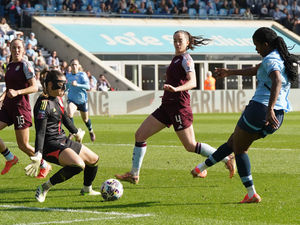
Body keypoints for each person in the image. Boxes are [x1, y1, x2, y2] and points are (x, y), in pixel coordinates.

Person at [190, 27, 299, 203]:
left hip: (260, 110)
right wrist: (230, 72)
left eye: (257, 45)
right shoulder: (279, 58)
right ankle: (200, 168)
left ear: (265, 44)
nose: (256, 49)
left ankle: (251, 193)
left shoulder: (271, 59)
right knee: (234, 142)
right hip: (278, 117)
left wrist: (269, 108)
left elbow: (277, 80)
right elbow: (256, 69)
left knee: (240, 149)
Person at [115, 30, 235, 184]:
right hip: (167, 106)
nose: (177, 43)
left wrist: (176, 90)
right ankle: (134, 174)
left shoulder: (186, 59)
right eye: (175, 40)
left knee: (190, 145)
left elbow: (193, 82)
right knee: (140, 135)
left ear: (187, 43)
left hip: (179, 107)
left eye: (180, 40)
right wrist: (168, 94)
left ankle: (226, 158)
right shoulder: (176, 58)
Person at [24, 70, 100, 203]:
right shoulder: (43, 104)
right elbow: (40, 132)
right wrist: (38, 154)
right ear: (49, 85)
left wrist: (76, 132)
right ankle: (45, 187)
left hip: (62, 140)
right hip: (50, 145)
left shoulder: (58, 99)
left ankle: (87, 188)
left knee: (94, 160)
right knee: (78, 165)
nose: (64, 88)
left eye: (64, 85)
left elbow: (65, 117)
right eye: (60, 85)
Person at [0, 38, 51, 178]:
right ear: (9, 49)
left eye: (18, 48)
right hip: (7, 107)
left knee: (23, 145)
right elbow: (10, 87)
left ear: (23, 50)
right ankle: (10, 158)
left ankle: (44, 164)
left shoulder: (25, 65)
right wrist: (2, 97)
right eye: (13, 48)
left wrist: (18, 92)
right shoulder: (9, 66)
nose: (16, 50)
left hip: (20, 108)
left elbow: (35, 87)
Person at [66, 59, 96, 142]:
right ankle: (71, 132)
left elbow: (88, 87)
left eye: (75, 64)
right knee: (69, 113)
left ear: (78, 66)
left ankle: (91, 131)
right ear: (70, 66)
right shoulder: (68, 76)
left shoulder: (82, 75)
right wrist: (63, 91)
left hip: (82, 101)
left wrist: (77, 84)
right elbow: (67, 86)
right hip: (72, 100)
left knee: (85, 119)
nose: (74, 66)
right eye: (72, 65)